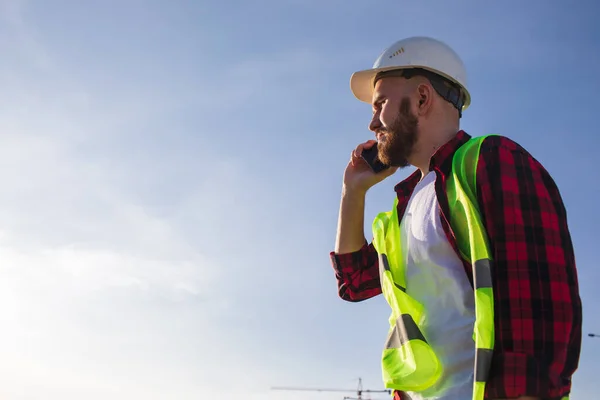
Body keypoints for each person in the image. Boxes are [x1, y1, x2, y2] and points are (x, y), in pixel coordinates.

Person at [329, 36, 582, 400]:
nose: (372, 123)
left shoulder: (491, 160)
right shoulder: (404, 206)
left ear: (421, 98)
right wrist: (352, 192)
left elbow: (539, 311)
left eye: (380, 104)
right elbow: (353, 282)